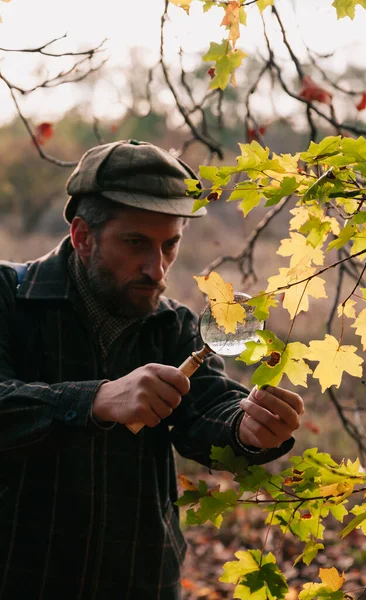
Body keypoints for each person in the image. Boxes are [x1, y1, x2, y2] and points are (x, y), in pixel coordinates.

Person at [0, 140, 304, 600]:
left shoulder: (175, 326)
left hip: (141, 582)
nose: (156, 268)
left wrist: (249, 428)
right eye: (136, 243)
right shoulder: (9, 297)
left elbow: (207, 411)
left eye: (170, 245)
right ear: (83, 236)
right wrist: (97, 400)